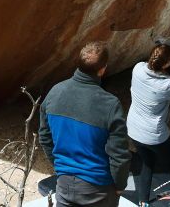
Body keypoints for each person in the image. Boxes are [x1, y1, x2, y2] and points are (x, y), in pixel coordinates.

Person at [39, 42, 131, 207]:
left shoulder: (55, 92)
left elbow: (45, 137)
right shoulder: (110, 104)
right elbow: (119, 155)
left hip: (64, 185)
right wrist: (120, 185)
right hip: (99, 189)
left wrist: (61, 167)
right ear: (102, 69)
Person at [126, 43, 170, 207]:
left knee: (148, 163)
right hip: (155, 135)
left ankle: (143, 203)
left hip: (134, 130)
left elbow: (157, 67)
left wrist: (169, 59)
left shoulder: (137, 69)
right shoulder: (167, 85)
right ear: (166, 63)